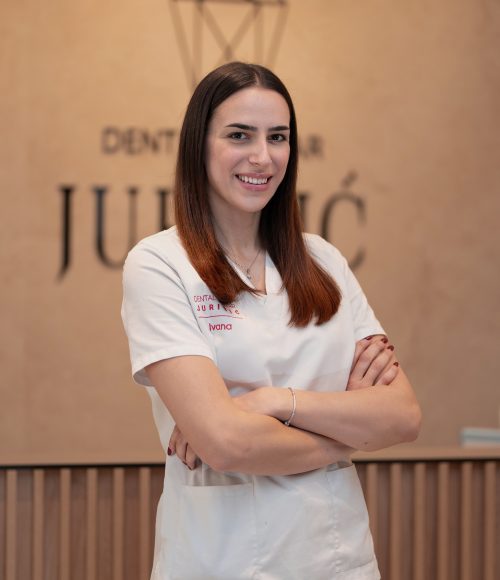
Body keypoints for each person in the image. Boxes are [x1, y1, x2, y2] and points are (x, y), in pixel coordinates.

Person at [121, 61, 421, 580]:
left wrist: (273, 402)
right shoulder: (159, 264)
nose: (262, 156)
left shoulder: (324, 261)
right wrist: (351, 433)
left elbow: (403, 417)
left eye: (277, 137)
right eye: (240, 135)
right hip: (222, 561)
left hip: (337, 559)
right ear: (199, 145)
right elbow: (226, 443)